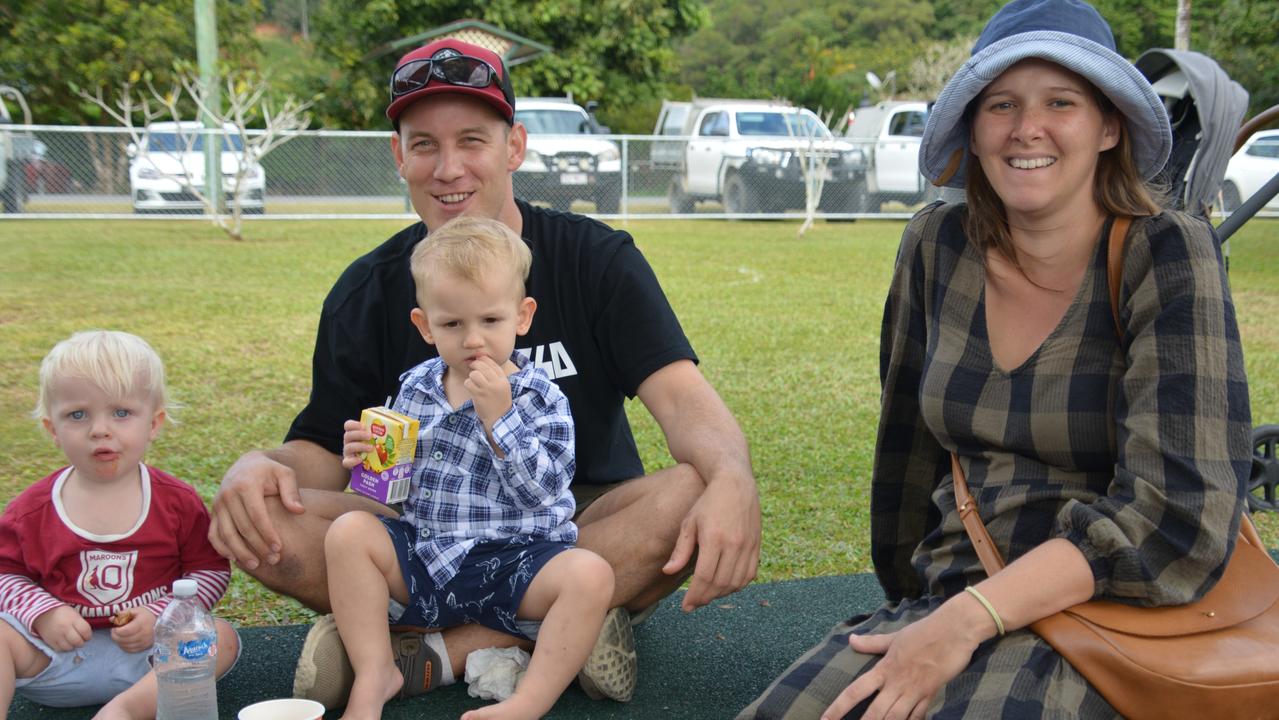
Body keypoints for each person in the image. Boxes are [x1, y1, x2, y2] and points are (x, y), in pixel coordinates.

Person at [208, 37, 760, 705]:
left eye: (471, 140)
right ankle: (554, 634)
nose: (448, 169)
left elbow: (681, 399)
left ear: (513, 147)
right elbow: (326, 450)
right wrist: (261, 466)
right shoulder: (369, 290)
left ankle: (430, 649)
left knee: (693, 488)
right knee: (263, 513)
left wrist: (733, 478)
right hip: (425, 527)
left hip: (569, 525)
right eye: (423, 145)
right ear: (398, 156)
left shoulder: (596, 259)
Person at [739, 0, 1251, 718]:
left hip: (1102, 607)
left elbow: (1175, 514)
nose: (1025, 129)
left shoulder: (1165, 251)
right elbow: (907, 456)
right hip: (949, 590)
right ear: (972, 132)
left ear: (1108, 128)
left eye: (1060, 102)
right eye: (999, 104)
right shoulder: (934, 247)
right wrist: (919, 610)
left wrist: (971, 618)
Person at [328, 215, 614, 719]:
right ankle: (376, 673)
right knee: (348, 531)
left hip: (515, 563)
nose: (473, 340)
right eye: (453, 324)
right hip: (427, 557)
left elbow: (543, 493)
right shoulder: (415, 387)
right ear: (424, 325)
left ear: (522, 317)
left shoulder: (542, 397)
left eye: (490, 320)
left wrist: (500, 419)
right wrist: (370, 462)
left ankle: (527, 702)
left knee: (589, 575)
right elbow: (394, 497)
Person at [0, 330, 240, 719]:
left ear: (154, 423)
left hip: (150, 660)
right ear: (52, 430)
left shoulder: (176, 503)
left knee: (221, 637)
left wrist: (163, 617)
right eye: (77, 415)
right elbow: (5, 575)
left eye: (121, 413)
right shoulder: (31, 511)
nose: (99, 429)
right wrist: (43, 613)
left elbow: (208, 570)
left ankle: (124, 711)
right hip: (56, 657)